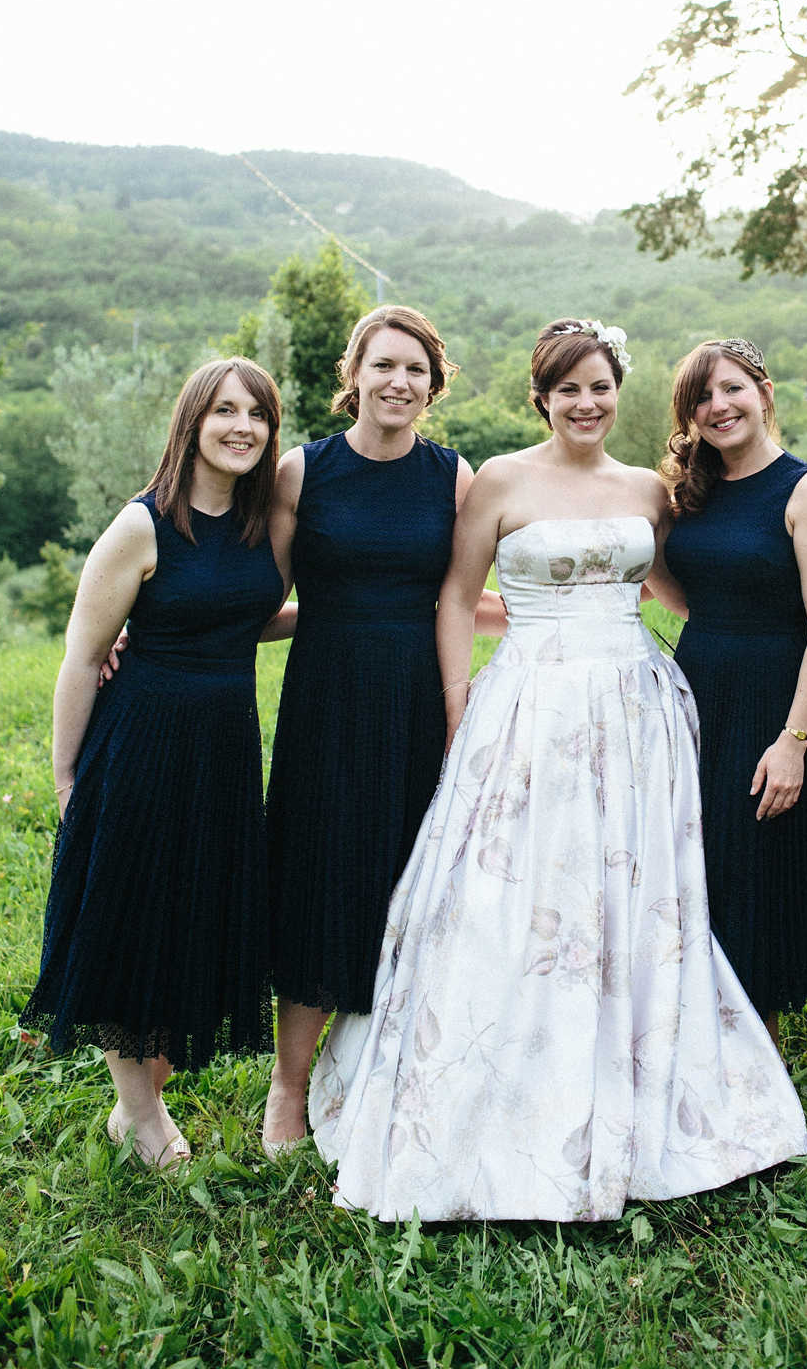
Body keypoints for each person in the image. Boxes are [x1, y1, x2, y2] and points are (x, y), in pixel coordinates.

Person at [307, 318, 807, 1221]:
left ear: (621, 395)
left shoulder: (650, 491)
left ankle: (639, 1067)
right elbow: (457, 598)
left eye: (601, 388)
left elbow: (676, 587)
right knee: (513, 889)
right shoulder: (499, 479)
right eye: (568, 389)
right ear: (542, 396)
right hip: (528, 703)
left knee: (635, 886)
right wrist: (460, 704)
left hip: (634, 706)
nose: (586, 403)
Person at [21, 358, 289, 1169]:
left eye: (258, 414)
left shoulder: (254, 525)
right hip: (140, 742)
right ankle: (141, 1117)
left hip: (224, 749)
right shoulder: (142, 526)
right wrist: (68, 778)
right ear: (192, 423)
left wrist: (358, 617)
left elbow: (246, 618)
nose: (243, 427)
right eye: (226, 411)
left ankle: (138, 1098)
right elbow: (82, 654)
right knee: (128, 917)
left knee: (191, 913)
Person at [261, 305, 505, 1157]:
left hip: (416, 699)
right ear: (354, 372)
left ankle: (385, 1069)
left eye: (417, 371)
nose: (400, 382)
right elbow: (257, 596)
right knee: (320, 875)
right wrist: (146, 624)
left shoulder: (453, 477)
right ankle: (289, 1089)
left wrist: (576, 610)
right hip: (327, 699)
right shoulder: (301, 472)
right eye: (385, 365)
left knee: (413, 879)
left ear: (433, 388)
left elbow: (465, 596)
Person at [657, 339, 807, 1036]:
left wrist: (794, 740)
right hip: (696, 687)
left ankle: (754, 1064)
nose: (719, 406)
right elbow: (676, 588)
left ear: (764, 393)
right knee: (698, 863)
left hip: (776, 698)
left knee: (756, 872)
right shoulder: (691, 492)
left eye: (732, 389)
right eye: (702, 398)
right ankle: (697, 1037)